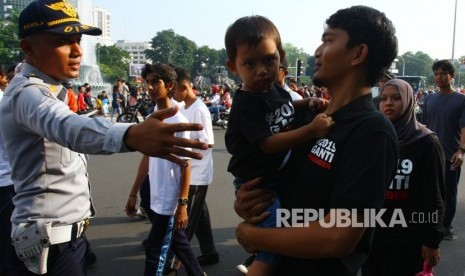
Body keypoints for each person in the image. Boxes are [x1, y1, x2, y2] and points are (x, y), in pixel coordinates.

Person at [0, 1, 207, 275]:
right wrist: (131, 134)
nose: (77, 51)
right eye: (63, 41)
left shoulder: (48, 90)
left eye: (78, 39)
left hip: (64, 240)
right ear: (28, 48)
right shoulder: (27, 93)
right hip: (51, 246)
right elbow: (68, 127)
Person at [233, 6, 399, 275]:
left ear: (358, 54)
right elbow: (271, 182)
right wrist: (247, 202)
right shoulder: (307, 117)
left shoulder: (372, 131)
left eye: (329, 40)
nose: (317, 51)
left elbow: (339, 237)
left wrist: (253, 236)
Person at [224, 15, 333, 275]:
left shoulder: (272, 91)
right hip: (259, 182)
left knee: (275, 240)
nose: (261, 70)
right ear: (233, 66)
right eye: (249, 63)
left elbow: (283, 110)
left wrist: (305, 104)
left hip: (272, 177)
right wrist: (311, 129)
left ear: (281, 57)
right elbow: (269, 143)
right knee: (271, 247)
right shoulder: (246, 102)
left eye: (269, 60)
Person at [124, 63, 205, 276]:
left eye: (155, 82)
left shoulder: (178, 121)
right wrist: (134, 192)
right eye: (147, 82)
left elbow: (185, 164)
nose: (149, 87)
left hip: (170, 198)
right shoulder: (154, 116)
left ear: (169, 85)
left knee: (155, 250)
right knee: (178, 243)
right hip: (155, 194)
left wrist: (183, 204)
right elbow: (147, 156)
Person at [363, 78, 445, 275]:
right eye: (383, 99)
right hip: (374, 235)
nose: (388, 103)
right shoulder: (375, 138)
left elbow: (434, 196)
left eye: (396, 98)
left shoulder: (426, 143)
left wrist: (431, 241)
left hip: (409, 239)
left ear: (408, 101)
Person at [172, 67, 219, 266]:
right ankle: (209, 253)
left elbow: (208, 142)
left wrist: (182, 144)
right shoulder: (184, 107)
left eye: (173, 90)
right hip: (189, 171)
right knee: (199, 216)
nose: (173, 94)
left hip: (198, 173)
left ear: (184, 87)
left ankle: (177, 261)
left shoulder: (199, 109)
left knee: (187, 219)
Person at [422, 59, 465, 240]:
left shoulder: (461, 100)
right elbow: (422, 125)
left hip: (451, 155)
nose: (439, 77)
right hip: (429, 153)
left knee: (449, 192)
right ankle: (430, 222)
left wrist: (461, 150)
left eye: (443, 74)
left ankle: (446, 225)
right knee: (428, 190)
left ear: (452, 76)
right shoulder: (429, 98)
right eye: (437, 74)